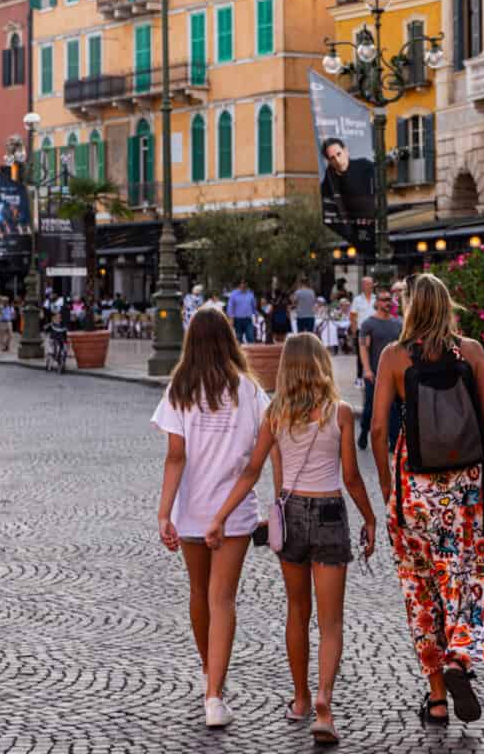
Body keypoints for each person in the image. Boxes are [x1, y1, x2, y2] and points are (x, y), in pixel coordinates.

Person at [372, 273, 484, 726]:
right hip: (466, 495)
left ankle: (438, 698)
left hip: (414, 493)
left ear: (410, 309)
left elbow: (379, 430)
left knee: (422, 594)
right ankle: (460, 659)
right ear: (448, 306)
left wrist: (390, 494)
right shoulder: (473, 351)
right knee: (466, 580)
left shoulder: (394, 357)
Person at [206, 333, 376, 745]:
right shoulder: (340, 413)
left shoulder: (276, 415)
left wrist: (220, 516)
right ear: (322, 364)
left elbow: (250, 471)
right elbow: (351, 477)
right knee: (331, 621)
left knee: (297, 611)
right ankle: (324, 702)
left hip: (292, 515)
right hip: (331, 513)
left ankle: (299, 699)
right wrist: (371, 518)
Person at [152, 307, 270, 729]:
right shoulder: (250, 391)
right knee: (223, 598)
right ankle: (215, 694)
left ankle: (209, 672)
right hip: (235, 510)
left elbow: (175, 456)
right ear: (228, 339)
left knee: (199, 593)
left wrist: (164, 512)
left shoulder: (180, 388)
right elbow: (262, 451)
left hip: (192, 509)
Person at [358, 286, 402, 451]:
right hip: (374, 374)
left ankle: (394, 441)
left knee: (394, 409)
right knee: (370, 408)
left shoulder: (398, 323)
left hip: (394, 375)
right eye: (383, 299)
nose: (387, 303)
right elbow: (363, 348)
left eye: (389, 299)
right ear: (376, 302)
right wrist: (367, 370)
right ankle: (363, 432)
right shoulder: (368, 324)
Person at [319, 137, 375, 227]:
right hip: (349, 230)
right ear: (329, 161)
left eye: (339, 154)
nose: (337, 160)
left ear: (345, 151)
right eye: (332, 158)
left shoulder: (365, 166)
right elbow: (329, 214)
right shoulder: (328, 183)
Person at [350, 276, 376, 386]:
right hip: (362, 331)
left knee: (374, 353)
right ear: (362, 286)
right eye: (365, 284)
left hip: (375, 330)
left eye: (369, 284)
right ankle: (359, 377)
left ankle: (374, 374)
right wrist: (354, 331)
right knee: (361, 354)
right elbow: (353, 316)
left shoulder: (377, 299)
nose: (367, 286)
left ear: (373, 285)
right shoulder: (357, 300)